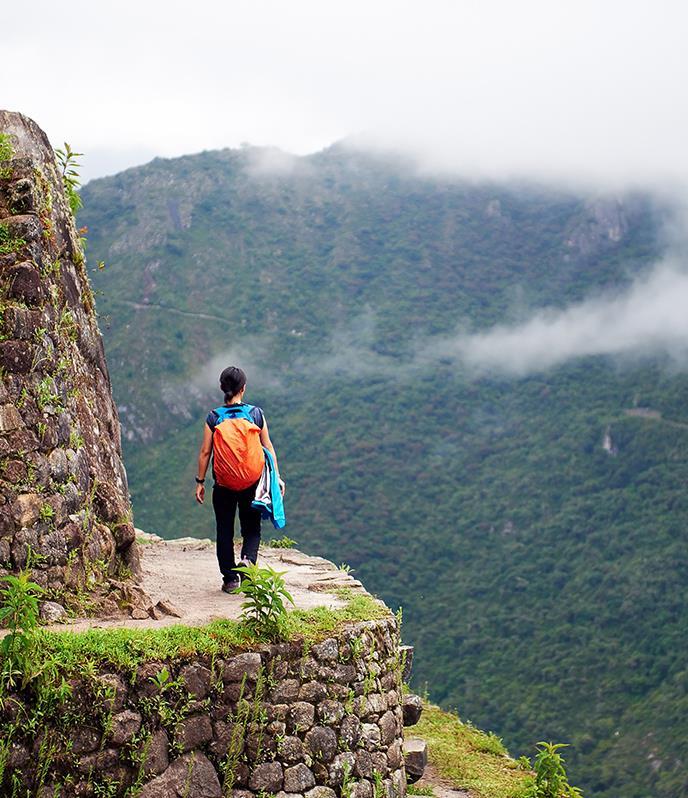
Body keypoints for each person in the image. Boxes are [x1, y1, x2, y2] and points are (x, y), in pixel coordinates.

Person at [195, 366, 285, 593]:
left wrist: (200, 482)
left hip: (223, 486)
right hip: (252, 484)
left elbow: (205, 453)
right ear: (243, 388)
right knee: (252, 529)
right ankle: (247, 565)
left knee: (224, 531)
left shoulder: (214, 418)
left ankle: (230, 579)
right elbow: (268, 446)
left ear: (221, 388)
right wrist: (277, 478)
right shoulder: (256, 414)